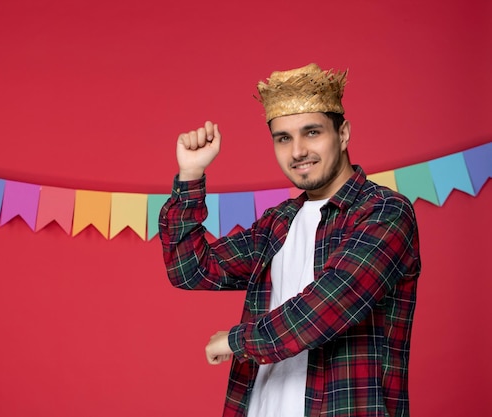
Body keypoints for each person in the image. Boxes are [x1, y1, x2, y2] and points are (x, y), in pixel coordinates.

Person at [158, 63, 421, 417]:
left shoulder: (385, 212)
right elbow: (191, 270)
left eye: (311, 132)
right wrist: (190, 176)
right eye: (283, 138)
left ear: (342, 134)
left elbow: (328, 306)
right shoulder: (278, 223)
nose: (297, 151)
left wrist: (237, 340)